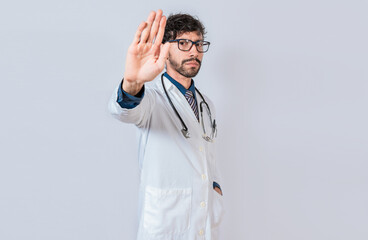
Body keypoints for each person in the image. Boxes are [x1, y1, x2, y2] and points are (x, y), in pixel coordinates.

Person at [108, 9, 225, 240]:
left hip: (205, 222)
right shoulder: (150, 98)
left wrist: (215, 187)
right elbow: (124, 111)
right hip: (165, 225)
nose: (194, 51)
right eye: (183, 43)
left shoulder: (206, 104)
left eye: (199, 44)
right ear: (164, 48)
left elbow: (206, 158)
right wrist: (132, 82)